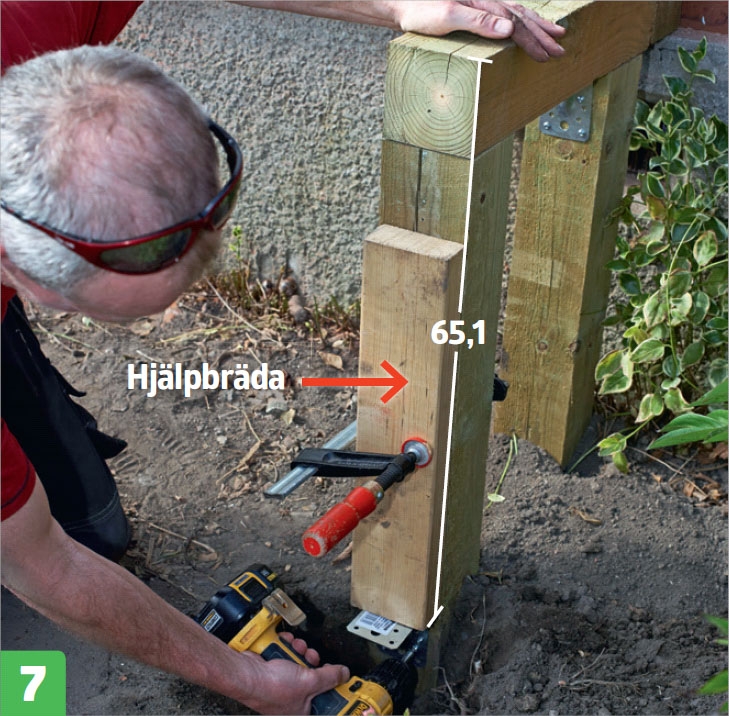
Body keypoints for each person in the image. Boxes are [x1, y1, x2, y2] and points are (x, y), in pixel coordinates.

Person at [1, 2, 565, 714]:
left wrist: (396, 4)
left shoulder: (26, 23)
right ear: (25, 279)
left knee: (93, 530)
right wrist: (246, 681)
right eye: (110, 313)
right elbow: (46, 568)